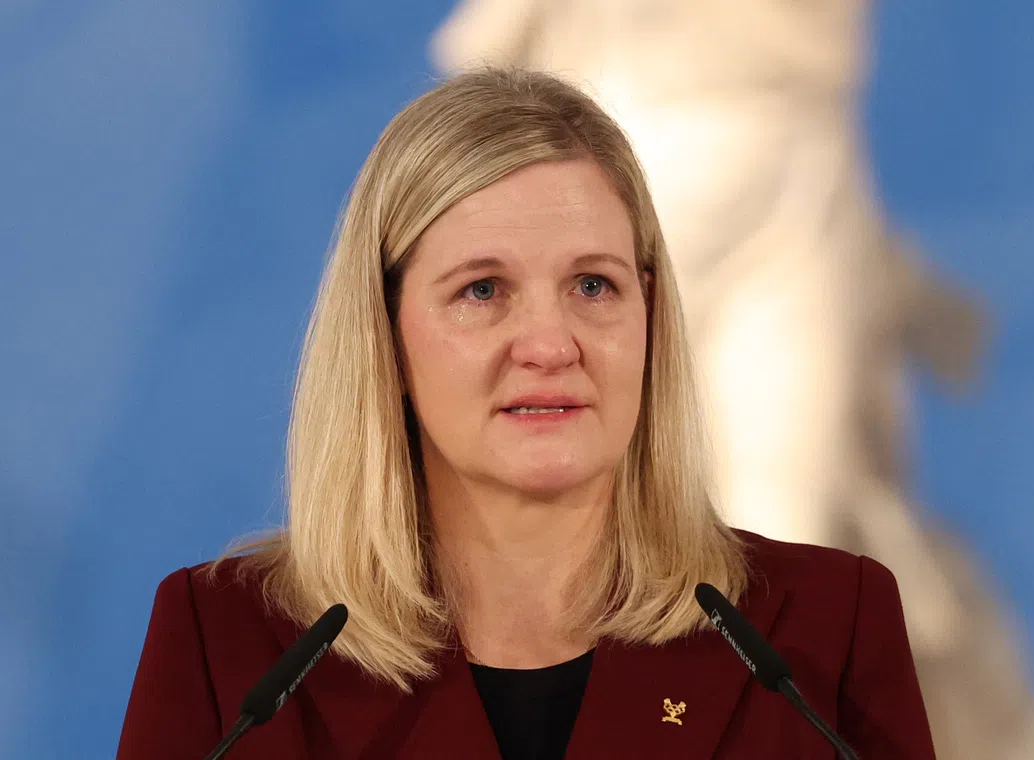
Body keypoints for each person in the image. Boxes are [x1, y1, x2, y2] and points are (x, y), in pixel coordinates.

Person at [117, 67, 935, 760]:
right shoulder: (229, 646)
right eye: (483, 290)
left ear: (650, 316)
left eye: (593, 285)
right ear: (384, 335)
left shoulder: (823, 631)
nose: (549, 345)